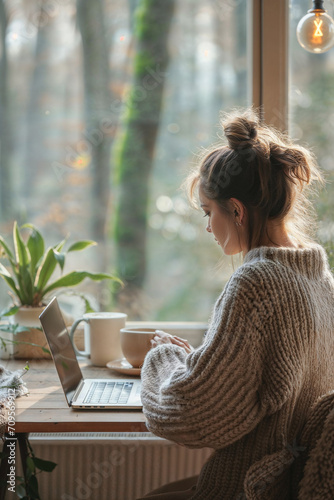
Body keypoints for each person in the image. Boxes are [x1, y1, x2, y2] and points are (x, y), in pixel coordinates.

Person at [136, 109, 334, 499]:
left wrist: (161, 357)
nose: (208, 227)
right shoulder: (320, 279)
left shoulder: (257, 282)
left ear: (237, 210)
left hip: (254, 487)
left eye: (209, 213)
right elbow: (261, 386)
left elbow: (189, 416)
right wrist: (199, 360)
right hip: (295, 485)